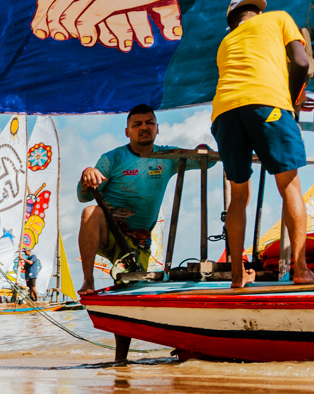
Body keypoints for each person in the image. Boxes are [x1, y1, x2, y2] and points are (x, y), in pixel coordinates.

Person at [212, 0, 314, 288]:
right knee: (289, 185)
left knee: (238, 194)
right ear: (258, 10)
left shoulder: (225, 42)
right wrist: (292, 103)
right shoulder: (279, 18)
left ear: (231, 19)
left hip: (224, 112)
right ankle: (301, 270)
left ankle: (236, 276)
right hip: (268, 104)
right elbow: (303, 62)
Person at [77, 104, 216, 295]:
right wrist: (87, 173)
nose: (144, 127)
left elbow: (208, 161)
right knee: (90, 212)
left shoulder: (167, 156)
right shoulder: (112, 158)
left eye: (149, 123)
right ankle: (88, 281)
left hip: (137, 242)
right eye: (137, 124)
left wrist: (203, 149)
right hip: (107, 232)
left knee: (129, 283)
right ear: (127, 132)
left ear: (157, 128)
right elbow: (84, 197)